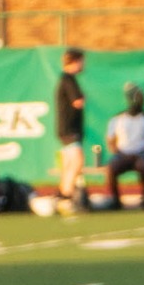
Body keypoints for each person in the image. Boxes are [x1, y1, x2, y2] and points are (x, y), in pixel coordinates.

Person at [106, 85, 144, 209]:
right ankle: (116, 201)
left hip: (141, 155)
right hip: (123, 155)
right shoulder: (117, 119)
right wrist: (117, 150)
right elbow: (110, 139)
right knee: (110, 169)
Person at [55, 49, 86, 213]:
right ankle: (66, 197)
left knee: (68, 163)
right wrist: (83, 98)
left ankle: (62, 195)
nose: (83, 65)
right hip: (69, 129)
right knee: (77, 161)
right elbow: (77, 102)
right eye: (81, 61)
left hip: (66, 129)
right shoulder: (69, 79)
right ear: (75, 61)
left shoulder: (66, 79)